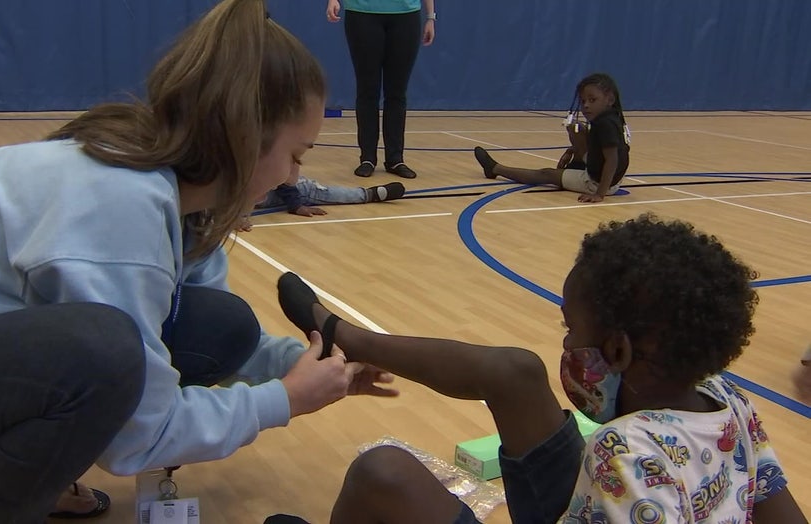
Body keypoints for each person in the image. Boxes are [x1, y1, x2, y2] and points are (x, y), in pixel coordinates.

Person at [0, 1, 396, 522]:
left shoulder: (169, 189)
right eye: (297, 155)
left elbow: (191, 351)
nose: (291, 178)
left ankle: (24, 471)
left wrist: (305, 368)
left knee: (222, 325)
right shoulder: (118, 202)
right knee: (101, 349)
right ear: (244, 137)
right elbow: (139, 435)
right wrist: (284, 400)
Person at [272, 213, 806, 523]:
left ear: (617, 352)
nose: (568, 343)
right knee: (517, 371)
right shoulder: (727, 399)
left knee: (380, 472)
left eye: (571, 329)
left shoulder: (622, 455)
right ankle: (345, 335)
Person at [474, 73, 630, 203]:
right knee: (575, 126)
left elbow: (612, 160)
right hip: (607, 174)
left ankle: (495, 168)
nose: (586, 106)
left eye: (592, 100)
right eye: (583, 101)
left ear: (609, 99)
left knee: (546, 174)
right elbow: (601, 147)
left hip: (597, 183)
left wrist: (599, 194)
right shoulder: (609, 118)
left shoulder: (605, 124)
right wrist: (572, 150)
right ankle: (577, 163)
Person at [326, 0, 436, 179]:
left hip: (406, 15)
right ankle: (367, 158)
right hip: (362, 13)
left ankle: (395, 158)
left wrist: (430, 17)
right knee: (367, 89)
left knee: (397, 92)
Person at [238, 168, 405, 230]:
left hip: (284, 190)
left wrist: (296, 205)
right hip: (250, 196)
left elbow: (279, 176)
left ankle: (368, 194)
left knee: (314, 190)